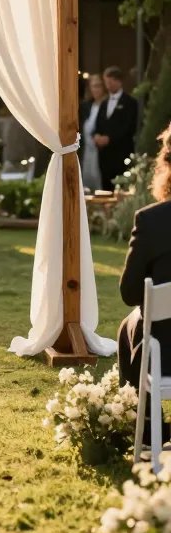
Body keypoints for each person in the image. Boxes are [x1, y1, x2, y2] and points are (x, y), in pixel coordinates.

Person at [118, 122, 171, 445]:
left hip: (166, 354)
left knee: (132, 322)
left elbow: (129, 293)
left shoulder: (151, 221)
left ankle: (147, 425)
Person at [94, 66, 138, 191]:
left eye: (110, 82)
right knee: (105, 187)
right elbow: (99, 124)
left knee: (121, 187)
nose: (107, 86)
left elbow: (128, 127)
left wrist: (110, 139)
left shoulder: (130, 102)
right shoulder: (104, 103)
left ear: (118, 81)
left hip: (121, 153)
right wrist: (97, 136)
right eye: (106, 82)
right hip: (104, 156)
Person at [79, 74, 107, 191]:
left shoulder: (107, 104)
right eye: (93, 86)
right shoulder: (86, 106)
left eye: (98, 86)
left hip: (101, 149)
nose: (96, 89)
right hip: (87, 149)